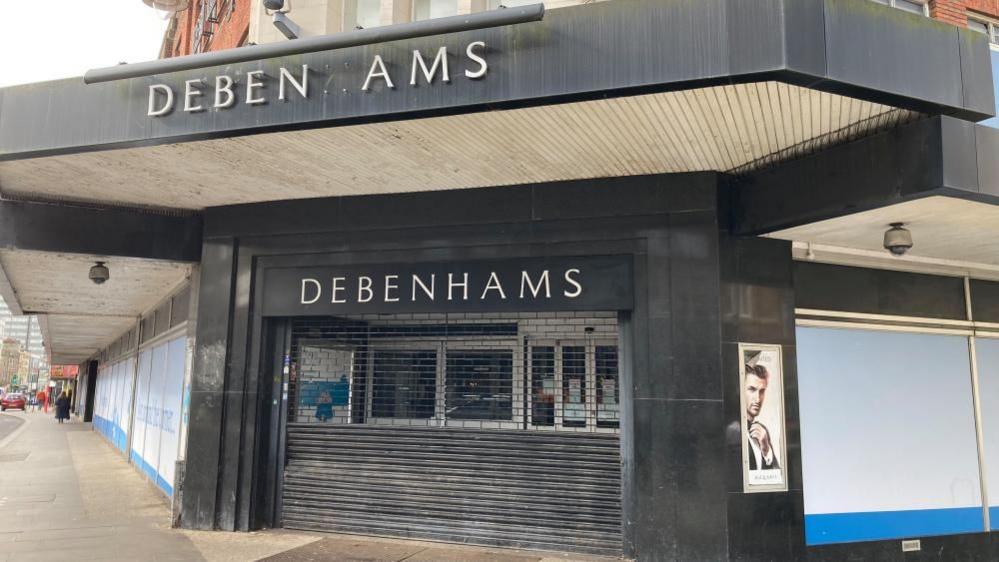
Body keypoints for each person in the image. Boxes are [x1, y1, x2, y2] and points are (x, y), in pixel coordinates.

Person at [745, 363, 779, 470]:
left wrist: (766, 449)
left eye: (762, 391)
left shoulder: (763, 432)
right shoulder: (732, 430)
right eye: (752, 389)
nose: (758, 399)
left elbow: (778, 477)